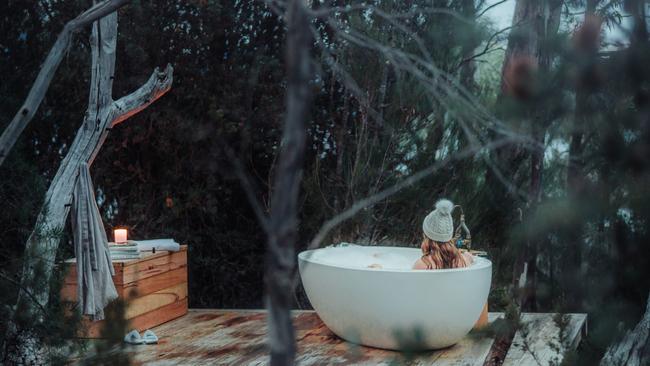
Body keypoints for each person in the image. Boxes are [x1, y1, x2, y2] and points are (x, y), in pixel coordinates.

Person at [413, 199, 474, 270]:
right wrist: (467, 255)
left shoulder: (422, 265)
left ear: (426, 236)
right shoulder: (464, 261)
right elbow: (469, 257)